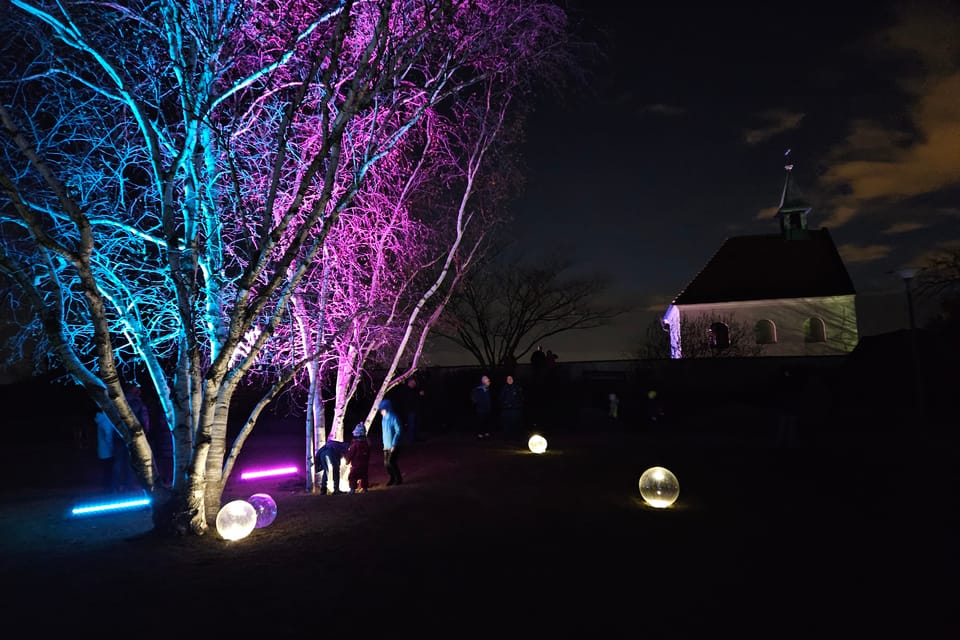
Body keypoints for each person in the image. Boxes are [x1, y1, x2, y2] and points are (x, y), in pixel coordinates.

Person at [378, 399, 403, 486]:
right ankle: (392, 478)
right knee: (386, 464)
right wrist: (385, 444)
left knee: (391, 462)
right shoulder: (383, 419)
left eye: (382, 410)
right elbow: (384, 432)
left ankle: (398, 479)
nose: (381, 412)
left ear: (387, 408)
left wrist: (394, 444)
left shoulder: (394, 417)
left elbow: (398, 430)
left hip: (394, 445)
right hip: (386, 445)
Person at [315, 431, 349, 495]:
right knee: (336, 470)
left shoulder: (336, 444)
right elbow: (346, 456)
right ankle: (336, 490)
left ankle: (323, 490)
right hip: (331, 451)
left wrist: (317, 465)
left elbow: (319, 453)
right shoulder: (345, 447)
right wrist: (347, 462)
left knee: (326, 470)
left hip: (323, 452)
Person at [345, 422, 372, 493]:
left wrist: (347, 461)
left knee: (352, 477)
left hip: (356, 466)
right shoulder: (367, 444)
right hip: (364, 465)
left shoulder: (354, 445)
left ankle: (352, 489)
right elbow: (368, 454)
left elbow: (350, 454)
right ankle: (364, 488)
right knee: (364, 476)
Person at [95, 411, 116, 492]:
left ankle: (106, 487)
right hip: (108, 451)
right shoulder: (106, 420)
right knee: (109, 470)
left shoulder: (99, 420)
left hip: (102, 450)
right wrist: (112, 447)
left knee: (105, 470)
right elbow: (108, 435)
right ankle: (109, 488)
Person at [498, 374, 524, 440]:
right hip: (506, 410)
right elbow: (501, 398)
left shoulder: (517, 387)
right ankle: (507, 437)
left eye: (510, 378)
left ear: (513, 379)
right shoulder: (504, 388)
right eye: (508, 379)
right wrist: (504, 405)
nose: (509, 380)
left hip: (516, 409)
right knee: (507, 424)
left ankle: (516, 437)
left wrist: (518, 405)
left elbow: (521, 398)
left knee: (516, 423)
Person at [400, 377, 425, 445]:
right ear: (410, 382)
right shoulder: (406, 390)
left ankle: (415, 437)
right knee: (412, 425)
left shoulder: (413, 390)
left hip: (415, 409)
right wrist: (419, 395)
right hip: (410, 410)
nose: (414, 384)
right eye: (413, 383)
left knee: (416, 424)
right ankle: (411, 439)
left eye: (414, 383)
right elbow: (410, 399)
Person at [471, 374, 494, 439]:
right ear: (484, 381)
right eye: (487, 381)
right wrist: (479, 404)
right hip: (481, 409)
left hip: (487, 409)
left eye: (489, 380)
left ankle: (486, 432)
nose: (489, 382)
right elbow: (475, 399)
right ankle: (480, 434)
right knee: (481, 422)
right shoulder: (479, 389)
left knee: (486, 421)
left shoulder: (487, 389)